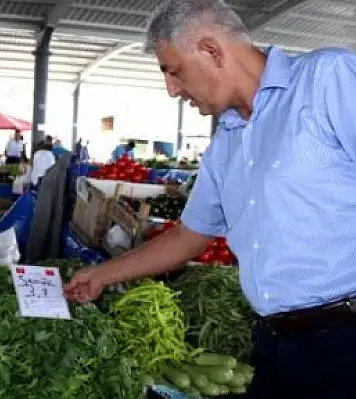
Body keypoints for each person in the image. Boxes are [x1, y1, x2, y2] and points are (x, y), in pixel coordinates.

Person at [65, 1, 356, 398]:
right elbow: (189, 236)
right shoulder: (226, 144)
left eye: (174, 71)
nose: (172, 90)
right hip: (274, 344)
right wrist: (101, 275)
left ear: (212, 51)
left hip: (345, 343)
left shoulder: (327, 81)